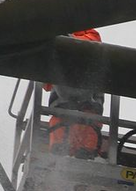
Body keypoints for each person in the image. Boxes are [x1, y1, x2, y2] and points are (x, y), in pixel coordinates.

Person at [45, 28, 105, 157]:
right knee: (59, 138)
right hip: (62, 109)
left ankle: (84, 153)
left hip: (89, 106)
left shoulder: (89, 34)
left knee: (87, 132)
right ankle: (60, 152)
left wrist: (67, 39)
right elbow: (46, 84)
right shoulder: (56, 52)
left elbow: (93, 43)